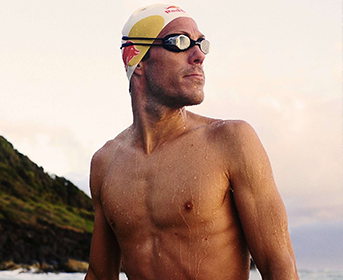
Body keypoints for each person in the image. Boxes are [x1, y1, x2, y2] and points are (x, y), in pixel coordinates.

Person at [85, 3, 299, 280]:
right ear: (136, 60)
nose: (199, 55)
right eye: (180, 42)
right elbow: (99, 275)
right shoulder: (105, 164)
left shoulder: (231, 141)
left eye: (201, 43)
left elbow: (278, 266)